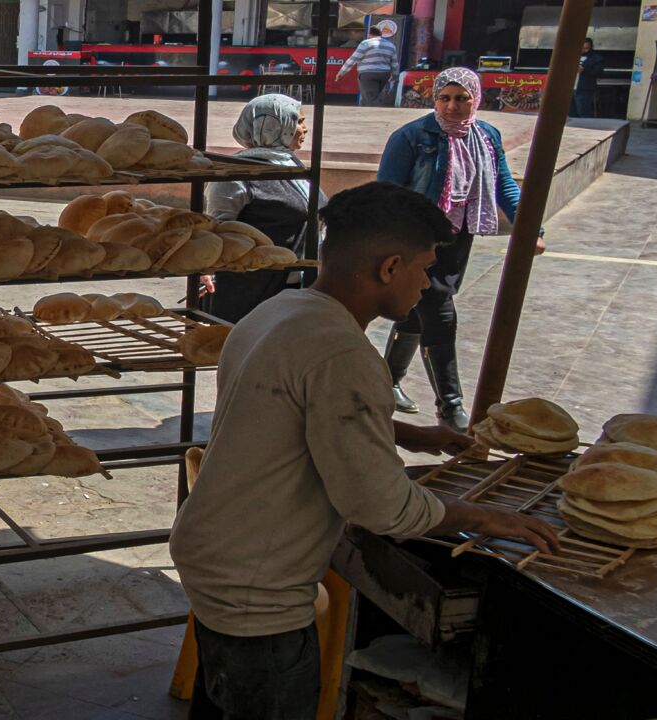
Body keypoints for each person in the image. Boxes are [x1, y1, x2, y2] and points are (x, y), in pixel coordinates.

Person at [169, 182, 559, 720]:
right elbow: (381, 508)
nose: (428, 283)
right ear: (389, 267)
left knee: (225, 699)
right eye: (423, 268)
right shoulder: (343, 353)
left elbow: (287, 410)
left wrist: (407, 434)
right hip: (258, 585)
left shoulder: (280, 310)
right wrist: (487, 518)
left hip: (212, 547)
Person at [377, 66, 543, 432]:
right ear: (434, 99)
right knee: (440, 312)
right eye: (444, 98)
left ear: (475, 99)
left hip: (458, 235)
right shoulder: (411, 137)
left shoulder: (486, 136)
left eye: (461, 98)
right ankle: (450, 406)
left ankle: (385, 384)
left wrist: (530, 228)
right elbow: (386, 194)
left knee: (415, 313)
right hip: (418, 240)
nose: (452, 106)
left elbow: (504, 185)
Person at [199, 94, 327, 323]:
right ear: (272, 125)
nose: (305, 129)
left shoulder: (291, 165)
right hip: (251, 292)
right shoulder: (237, 174)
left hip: (297, 286)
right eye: (298, 121)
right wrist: (205, 270)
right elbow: (215, 228)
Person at [335, 26, 399, 107]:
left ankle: (374, 116)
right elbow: (395, 64)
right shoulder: (390, 45)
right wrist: (395, 77)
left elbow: (353, 59)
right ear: (380, 34)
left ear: (370, 34)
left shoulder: (366, 43)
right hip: (385, 75)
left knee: (370, 99)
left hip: (368, 74)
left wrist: (341, 73)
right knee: (375, 98)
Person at [571, 38, 604, 118]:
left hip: (584, 89)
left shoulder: (596, 58)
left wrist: (584, 70)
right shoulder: (572, 56)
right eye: (582, 48)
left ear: (591, 47)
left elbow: (598, 72)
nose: (584, 50)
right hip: (570, 89)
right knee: (571, 113)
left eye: (586, 48)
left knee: (583, 112)